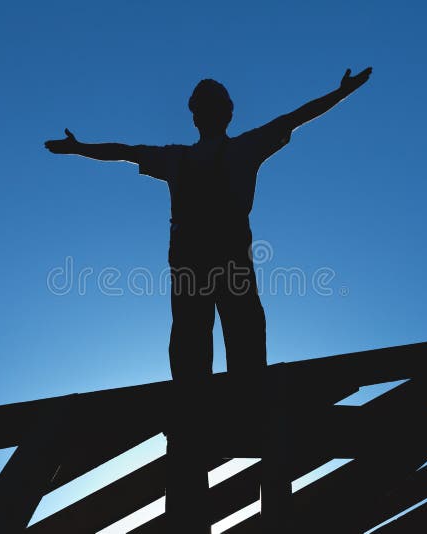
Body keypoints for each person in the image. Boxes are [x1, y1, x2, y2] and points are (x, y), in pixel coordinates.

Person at [45, 66, 372, 533]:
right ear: (201, 115)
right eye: (203, 107)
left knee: (238, 329)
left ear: (217, 114)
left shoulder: (238, 149)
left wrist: (339, 95)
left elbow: (296, 117)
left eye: (210, 106)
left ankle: (241, 404)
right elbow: (123, 152)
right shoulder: (182, 158)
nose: (207, 113)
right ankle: (198, 409)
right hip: (194, 262)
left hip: (223, 260)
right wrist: (80, 149)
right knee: (195, 337)